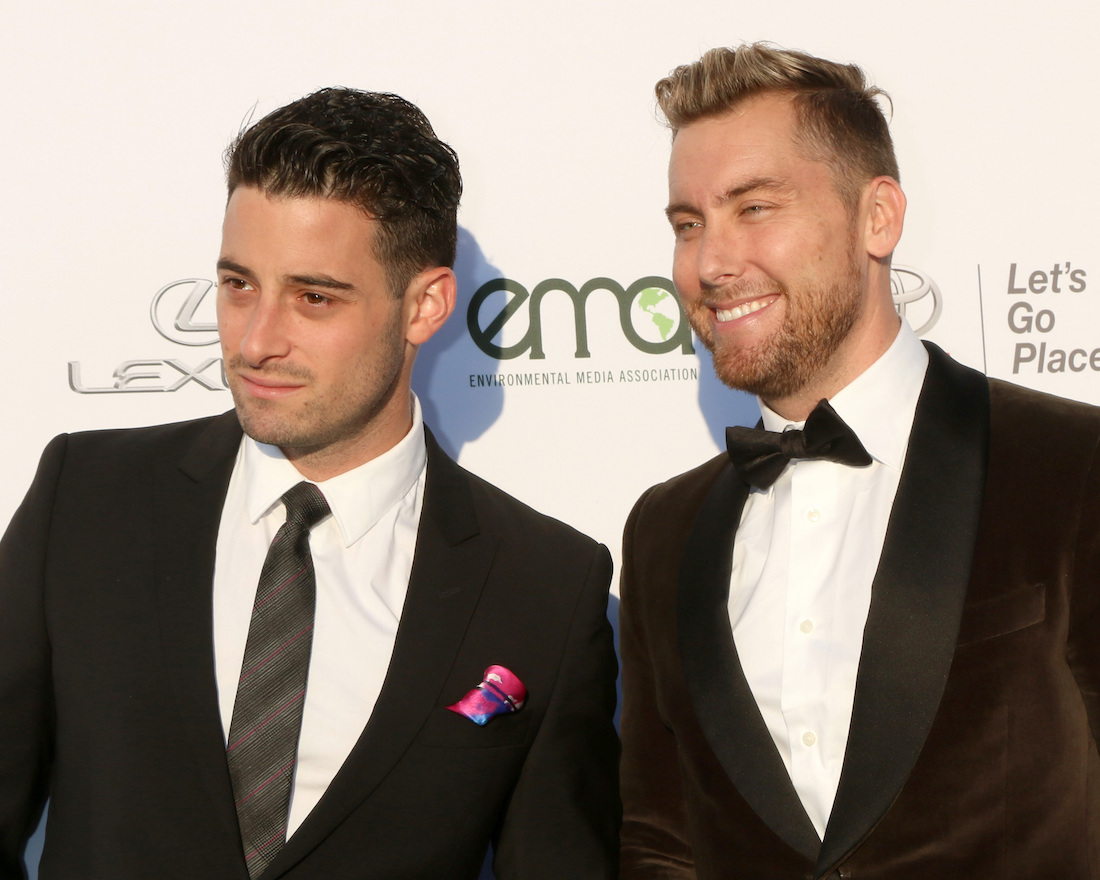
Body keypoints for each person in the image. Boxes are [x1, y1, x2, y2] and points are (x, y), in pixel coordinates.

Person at [0, 88, 619, 880]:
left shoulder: (545, 586)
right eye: (238, 285)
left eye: (314, 297)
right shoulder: (86, 500)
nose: (256, 341)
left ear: (424, 305)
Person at [618, 43, 1100, 879]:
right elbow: (662, 838)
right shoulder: (665, 529)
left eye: (755, 207)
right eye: (688, 224)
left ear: (878, 217)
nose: (711, 264)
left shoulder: (1074, 466)